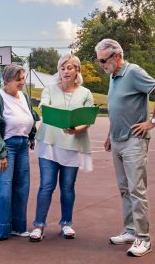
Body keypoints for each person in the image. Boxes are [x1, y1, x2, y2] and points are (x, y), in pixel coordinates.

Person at [95, 39, 155, 257]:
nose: (101, 65)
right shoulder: (113, 76)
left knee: (136, 190)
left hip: (134, 141)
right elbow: (117, 108)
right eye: (99, 60)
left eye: (103, 60)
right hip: (117, 140)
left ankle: (143, 238)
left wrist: (151, 123)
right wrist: (109, 135)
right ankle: (130, 231)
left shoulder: (133, 72)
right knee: (124, 189)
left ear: (116, 56)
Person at [29, 54, 94, 243]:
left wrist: (76, 129)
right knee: (46, 186)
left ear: (77, 71)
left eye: (70, 68)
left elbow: (88, 119)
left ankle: (66, 223)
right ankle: (39, 225)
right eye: (63, 68)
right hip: (49, 144)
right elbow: (46, 110)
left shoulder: (86, 93)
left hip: (72, 145)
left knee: (67, 187)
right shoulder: (49, 90)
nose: (66, 71)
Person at [0, 64, 40, 242]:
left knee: (22, 188)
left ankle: (18, 227)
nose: (22, 82)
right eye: (18, 79)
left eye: (23, 78)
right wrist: (0, 153)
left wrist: (31, 136)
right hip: (5, 147)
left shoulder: (24, 97)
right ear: (7, 80)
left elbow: (31, 118)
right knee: (3, 189)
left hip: (21, 146)